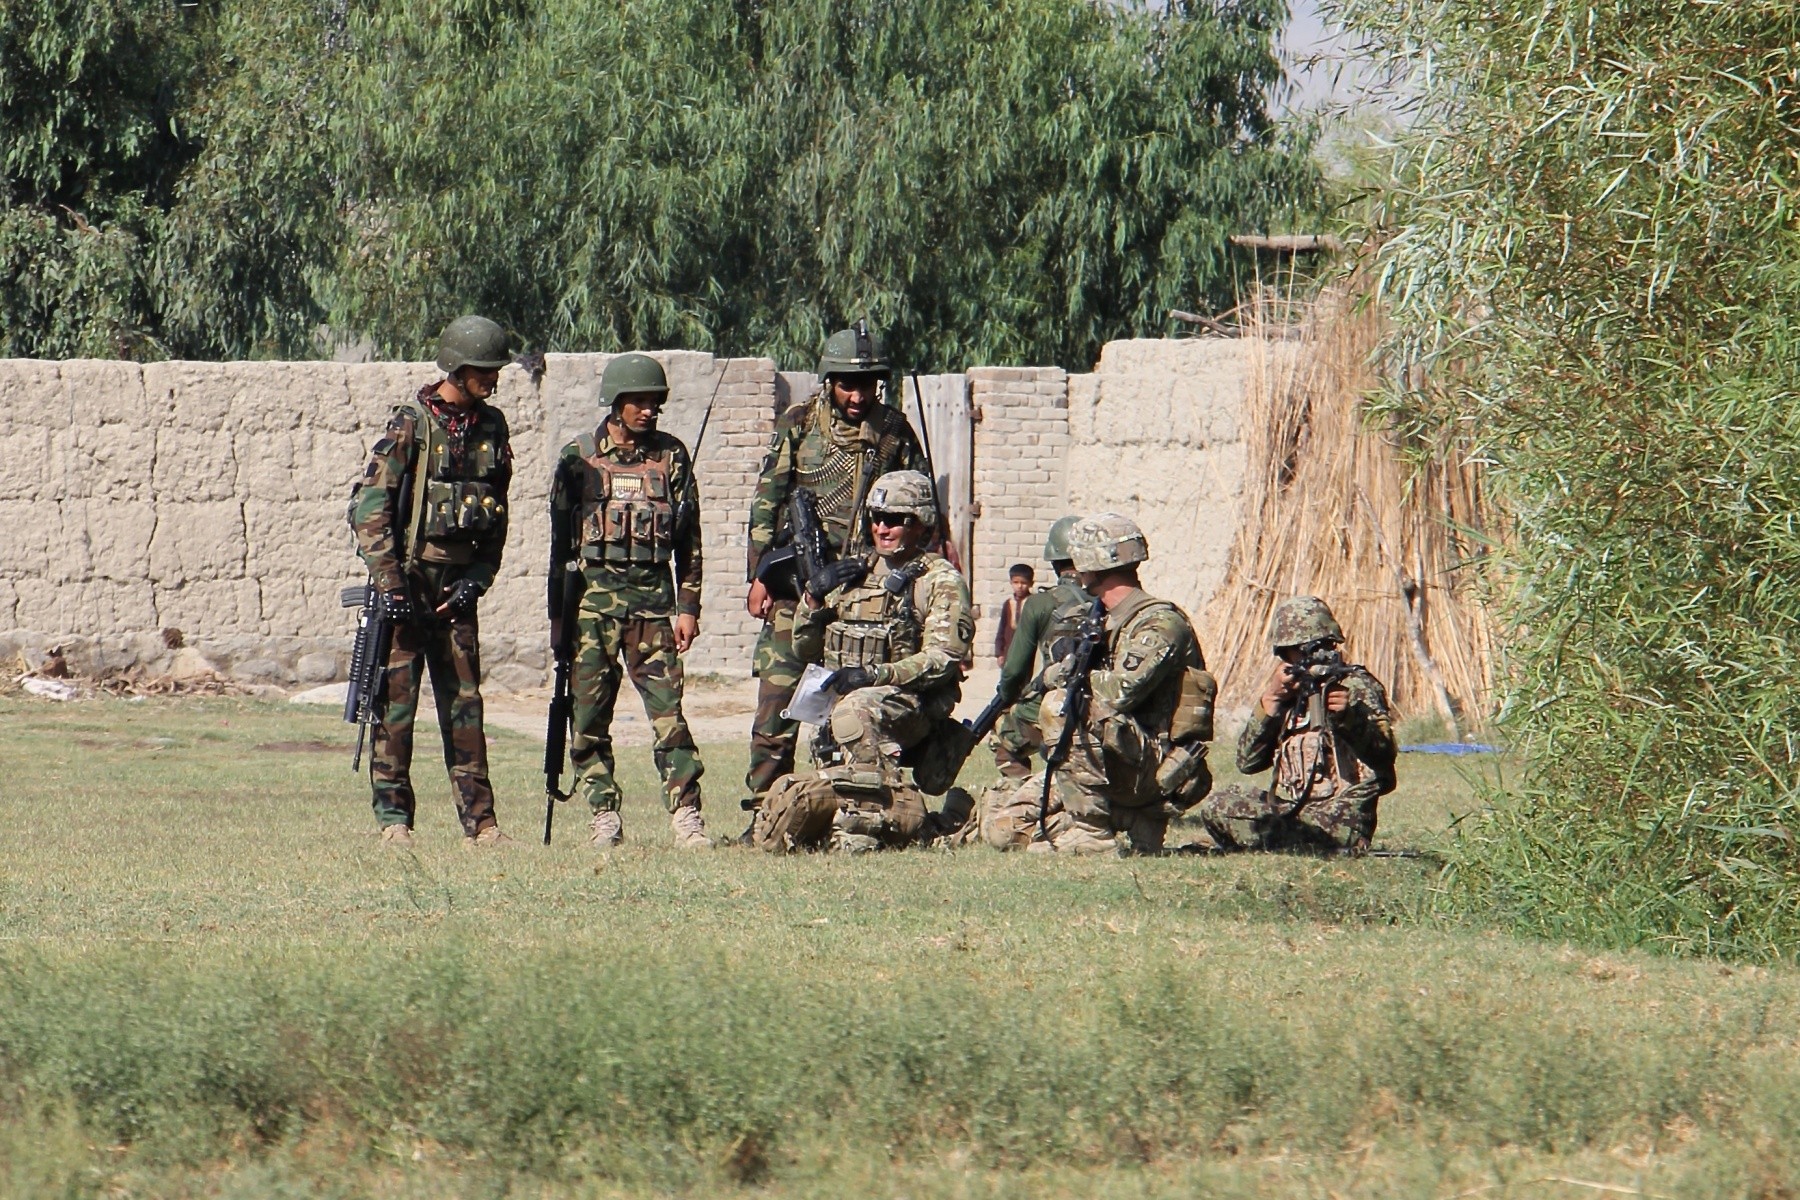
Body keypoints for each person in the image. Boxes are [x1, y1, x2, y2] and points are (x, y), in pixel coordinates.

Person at [740, 324, 928, 835]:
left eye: (866, 385)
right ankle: (764, 814)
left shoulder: (894, 432)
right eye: (847, 385)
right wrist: (759, 575)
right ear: (829, 381)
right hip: (797, 589)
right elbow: (766, 501)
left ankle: (857, 811)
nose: (857, 396)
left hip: (866, 593)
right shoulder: (800, 424)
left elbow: (920, 509)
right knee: (777, 705)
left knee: (853, 708)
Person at [350, 315, 515, 848]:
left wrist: (478, 580)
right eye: (483, 370)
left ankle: (482, 826)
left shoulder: (492, 428)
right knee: (395, 710)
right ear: (456, 368)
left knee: (465, 708)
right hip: (408, 583)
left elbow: (497, 512)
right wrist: (391, 585)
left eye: (495, 370)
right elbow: (368, 509)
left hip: (456, 591)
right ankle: (394, 822)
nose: (492, 379)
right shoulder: (412, 425)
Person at [752, 470, 973, 854]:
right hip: (843, 705)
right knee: (823, 777)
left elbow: (944, 658)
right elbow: (806, 651)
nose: (882, 528)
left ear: (920, 523)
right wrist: (813, 598)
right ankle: (889, 819)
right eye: (877, 517)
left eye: (895, 520)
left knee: (855, 711)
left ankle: (881, 821)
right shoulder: (856, 570)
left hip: (910, 704)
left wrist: (875, 674)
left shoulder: (938, 579)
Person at [547, 353, 710, 849]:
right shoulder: (577, 457)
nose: (648, 410)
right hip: (592, 612)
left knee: (669, 718)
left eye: (654, 402)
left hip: (653, 611)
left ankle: (686, 815)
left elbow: (690, 541)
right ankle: (604, 815)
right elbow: (559, 548)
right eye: (637, 401)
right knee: (587, 720)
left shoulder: (672, 456)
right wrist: (559, 619)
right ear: (615, 403)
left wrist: (688, 608)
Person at [987, 513, 1215, 855]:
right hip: (1107, 761)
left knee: (1061, 704)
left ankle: (1091, 832)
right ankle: (1129, 821)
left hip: (1153, 766)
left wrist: (1059, 674)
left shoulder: (1159, 623)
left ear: (1093, 563)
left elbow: (1120, 692)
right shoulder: (1100, 618)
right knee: (1004, 831)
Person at [1195, 596, 1396, 854]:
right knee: (1224, 800)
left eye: (1322, 647)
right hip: (1302, 813)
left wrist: (1349, 719)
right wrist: (1272, 701)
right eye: (1301, 651)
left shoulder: (1355, 686)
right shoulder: (1293, 692)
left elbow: (1384, 755)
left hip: (1343, 822)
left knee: (1222, 810)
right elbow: (1248, 762)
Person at [993, 564, 1035, 664]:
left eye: (1024, 583)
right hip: (1009, 651)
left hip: (1029, 651)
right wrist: (1000, 653)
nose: (1019, 586)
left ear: (1031, 583)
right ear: (1011, 582)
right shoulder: (1008, 603)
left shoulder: (1034, 603)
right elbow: (1001, 629)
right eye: (1016, 582)